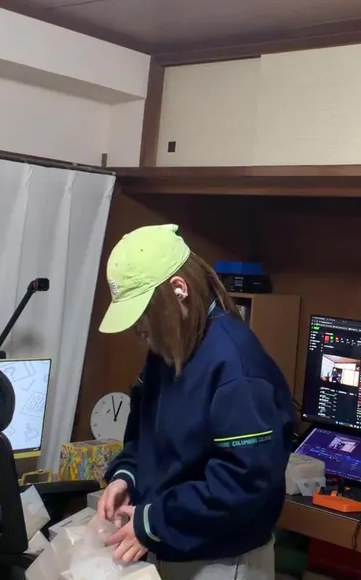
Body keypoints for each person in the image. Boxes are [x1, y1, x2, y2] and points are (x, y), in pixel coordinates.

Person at [95, 224, 294, 580]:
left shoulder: (236, 367)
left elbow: (243, 483)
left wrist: (155, 521)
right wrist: (126, 477)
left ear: (179, 289)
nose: (139, 330)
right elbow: (145, 436)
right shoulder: (169, 348)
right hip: (168, 546)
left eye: (145, 314)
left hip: (222, 562)